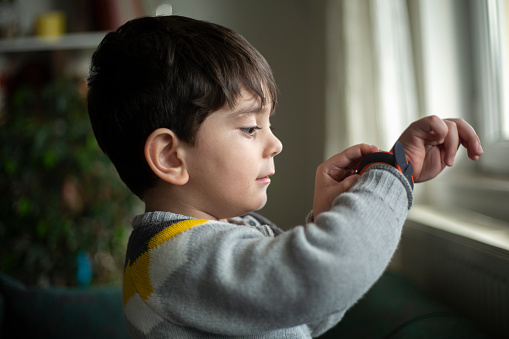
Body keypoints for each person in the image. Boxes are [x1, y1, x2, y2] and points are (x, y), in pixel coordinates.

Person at [87, 15, 483, 339]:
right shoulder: (174, 260)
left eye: (268, 124)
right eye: (249, 128)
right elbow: (323, 278)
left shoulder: (194, 248)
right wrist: (392, 175)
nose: (275, 143)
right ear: (171, 156)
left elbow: (304, 312)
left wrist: (333, 215)